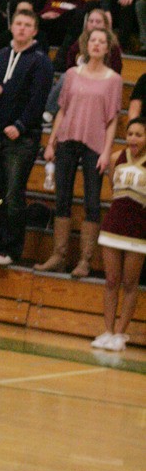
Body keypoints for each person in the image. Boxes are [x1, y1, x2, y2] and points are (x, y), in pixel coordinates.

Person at [37, 27, 122, 278]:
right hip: (67, 139)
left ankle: (85, 260)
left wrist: (107, 152)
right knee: (62, 198)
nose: (96, 45)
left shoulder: (114, 80)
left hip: (95, 144)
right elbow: (62, 110)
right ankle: (58, 255)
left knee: (92, 202)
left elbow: (112, 120)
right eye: (92, 41)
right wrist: (51, 141)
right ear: (86, 45)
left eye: (101, 42)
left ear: (108, 48)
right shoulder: (72, 74)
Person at [0, 9, 53, 266]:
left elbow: (38, 99)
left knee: (13, 193)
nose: (21, 28)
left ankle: (10, 249)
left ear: (34, 31)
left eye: (27, 25)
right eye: (18, 23)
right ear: (12, 26)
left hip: (23, 137)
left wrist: (20, 124)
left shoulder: (41, 62)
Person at [91, 117, 146, 352]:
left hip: (139, 229)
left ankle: (121, 334)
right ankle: (107, 330)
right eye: (130, 133)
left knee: (130, 283)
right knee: (111, 281)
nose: (133, 138)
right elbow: (113, 188)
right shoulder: (116, 158)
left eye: (138, 134)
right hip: (114, 225)